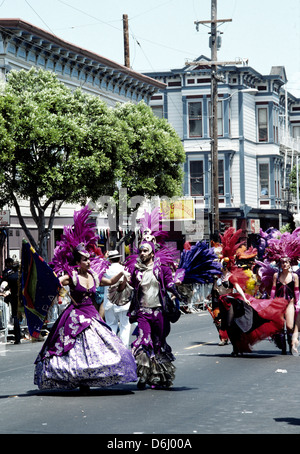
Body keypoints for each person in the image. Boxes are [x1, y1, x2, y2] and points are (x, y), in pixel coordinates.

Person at [34, 206, 137, 392]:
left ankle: (91, 377)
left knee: (106, 347)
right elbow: (54, 283)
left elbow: (110, 281)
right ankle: (77, 378)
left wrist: (123, 273)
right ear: (77, 262)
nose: (89, 262)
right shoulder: (71, 277)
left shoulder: (95, 276)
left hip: (93, 316)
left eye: (89, 259)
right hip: (74, 317)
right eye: (85, 260)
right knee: (74, 349)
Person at [123, 241, 181, 390]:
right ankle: (142, 376)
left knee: (158, 343)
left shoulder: (161, 269)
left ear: (152, 253)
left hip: (159, 312)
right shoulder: (136, 271)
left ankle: (159, 376)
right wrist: (122, 282)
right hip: (143, 312)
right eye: (141, 251)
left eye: (145, 251)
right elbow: (129, 288)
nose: (142, 253)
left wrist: (177, 288)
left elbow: (169, 283)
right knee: (144, 341)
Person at [270, 257, 300, 354]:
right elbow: (273, 289)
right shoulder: (276, 275)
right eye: (282, 263)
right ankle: (283, 347)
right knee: (280, 326)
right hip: (278, 303)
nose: (284, 264)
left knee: (290, 326)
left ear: (290, 263)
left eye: (286, 262)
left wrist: (297, 303)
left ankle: (291, 343)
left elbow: (296, 290)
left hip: (290, 303)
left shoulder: (294, 276)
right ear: (280, 264)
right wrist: (271, 301)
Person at [103, 250, 131, 348]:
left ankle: (113, 347)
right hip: (123, 301)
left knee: (111, 325)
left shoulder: (105, 270)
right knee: (125, 326)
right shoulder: (125, 269)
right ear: (119, 258)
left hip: (109, 301)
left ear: (110, 259)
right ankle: (124, 348)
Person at [2, 258, 21, 344]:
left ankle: (17, 338)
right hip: (22, 297)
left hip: (13, 297)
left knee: (15, 317)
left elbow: (3, 284)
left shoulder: (9, 276)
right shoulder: (21, 276)